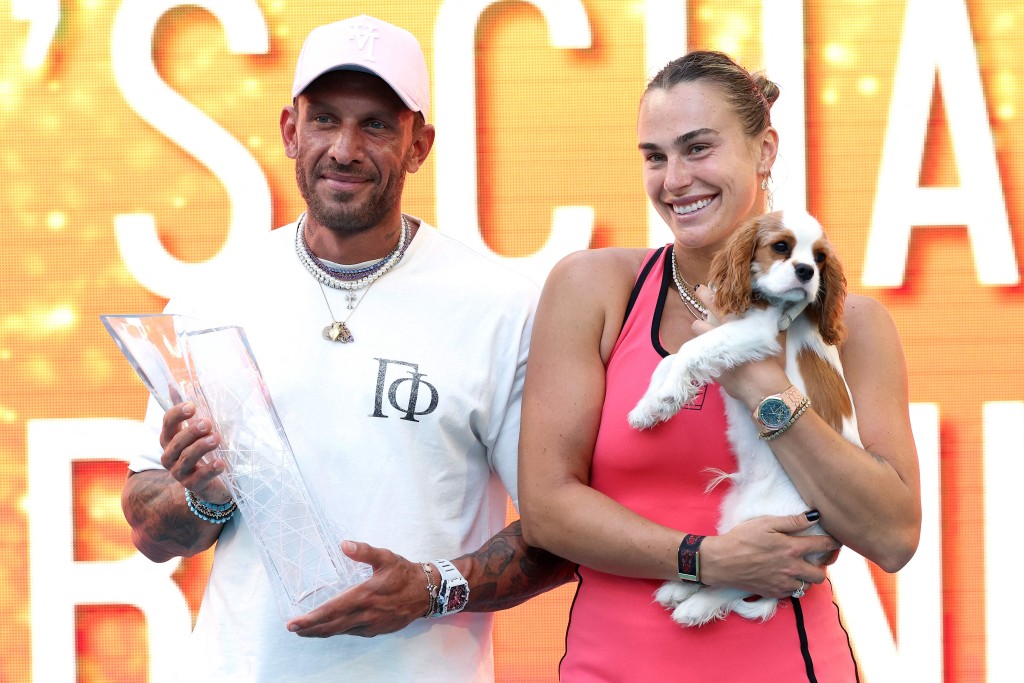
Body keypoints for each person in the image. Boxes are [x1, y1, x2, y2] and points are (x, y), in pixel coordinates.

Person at [121, 15, 573, 682]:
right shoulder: (214, 295)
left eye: (377, 125)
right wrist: (205, 494)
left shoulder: (501, 309)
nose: (344, 147)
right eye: (325, 119)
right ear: (289, 130)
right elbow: (150, 531)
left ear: (420, 144)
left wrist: (433, 585)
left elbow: (559, 528)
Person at [518, 50, 921, 681]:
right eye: (655, 156)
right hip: (611, 666)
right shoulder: (593, 288)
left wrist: (759, 380)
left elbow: (893, 537)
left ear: (764, 152)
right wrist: (706, 560)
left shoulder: (853, 326)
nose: (674, 179)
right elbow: (547, 509)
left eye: (698, 148)